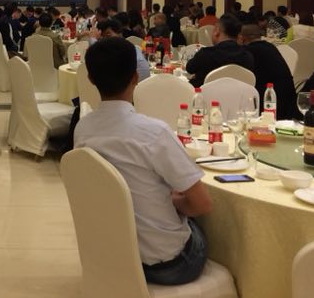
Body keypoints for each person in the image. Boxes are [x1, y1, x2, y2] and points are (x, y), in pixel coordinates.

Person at [74, 37, 211, 285]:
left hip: (113, 258)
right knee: (202, 224)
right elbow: (202, 204)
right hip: (169, 265)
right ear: (136, 77)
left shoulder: (83, 130)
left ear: (91, 79)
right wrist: (176, 203)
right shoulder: (154, 133)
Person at [240, 24, 299, 120]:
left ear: (242, 39)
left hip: (272, 101)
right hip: (289, 98)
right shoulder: (271, 47)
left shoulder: (249, 51)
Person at [185, 15, 254, 87]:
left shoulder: (205, 54)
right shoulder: (247, 57)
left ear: (217, 31)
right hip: (237, 93)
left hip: (206, 93)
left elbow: (189, 69)